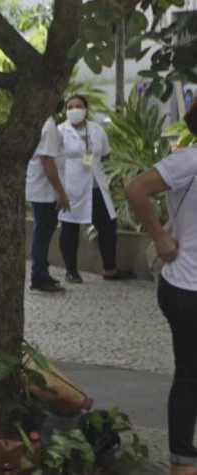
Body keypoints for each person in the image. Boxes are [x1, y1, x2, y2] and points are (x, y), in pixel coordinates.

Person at [125, 102, 197, 475]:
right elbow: (135, 189)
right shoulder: (189, 161)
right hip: (187, 285)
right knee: (190, 372)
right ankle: (183, 461)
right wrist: (160, 235)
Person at [57, 94, 133, 283]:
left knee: (107, 225)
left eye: (78, 106)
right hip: (71, 187)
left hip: (96, 185)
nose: (74, 110)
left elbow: (106, 154)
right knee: (70, 227)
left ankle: (110, 269)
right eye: (70, 107)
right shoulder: (60, 131)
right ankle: (71, 271)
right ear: (66, 110)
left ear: (86, 108)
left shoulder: (97, 129)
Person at [25, 102, 68, 292]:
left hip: (39, 188)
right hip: (45, 191)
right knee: (42, 233)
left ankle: (40, 273)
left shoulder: (38, 121)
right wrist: (60, 192)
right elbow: (47, 160)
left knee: (41, 232)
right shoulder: (49, 125)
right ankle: (39, 276)